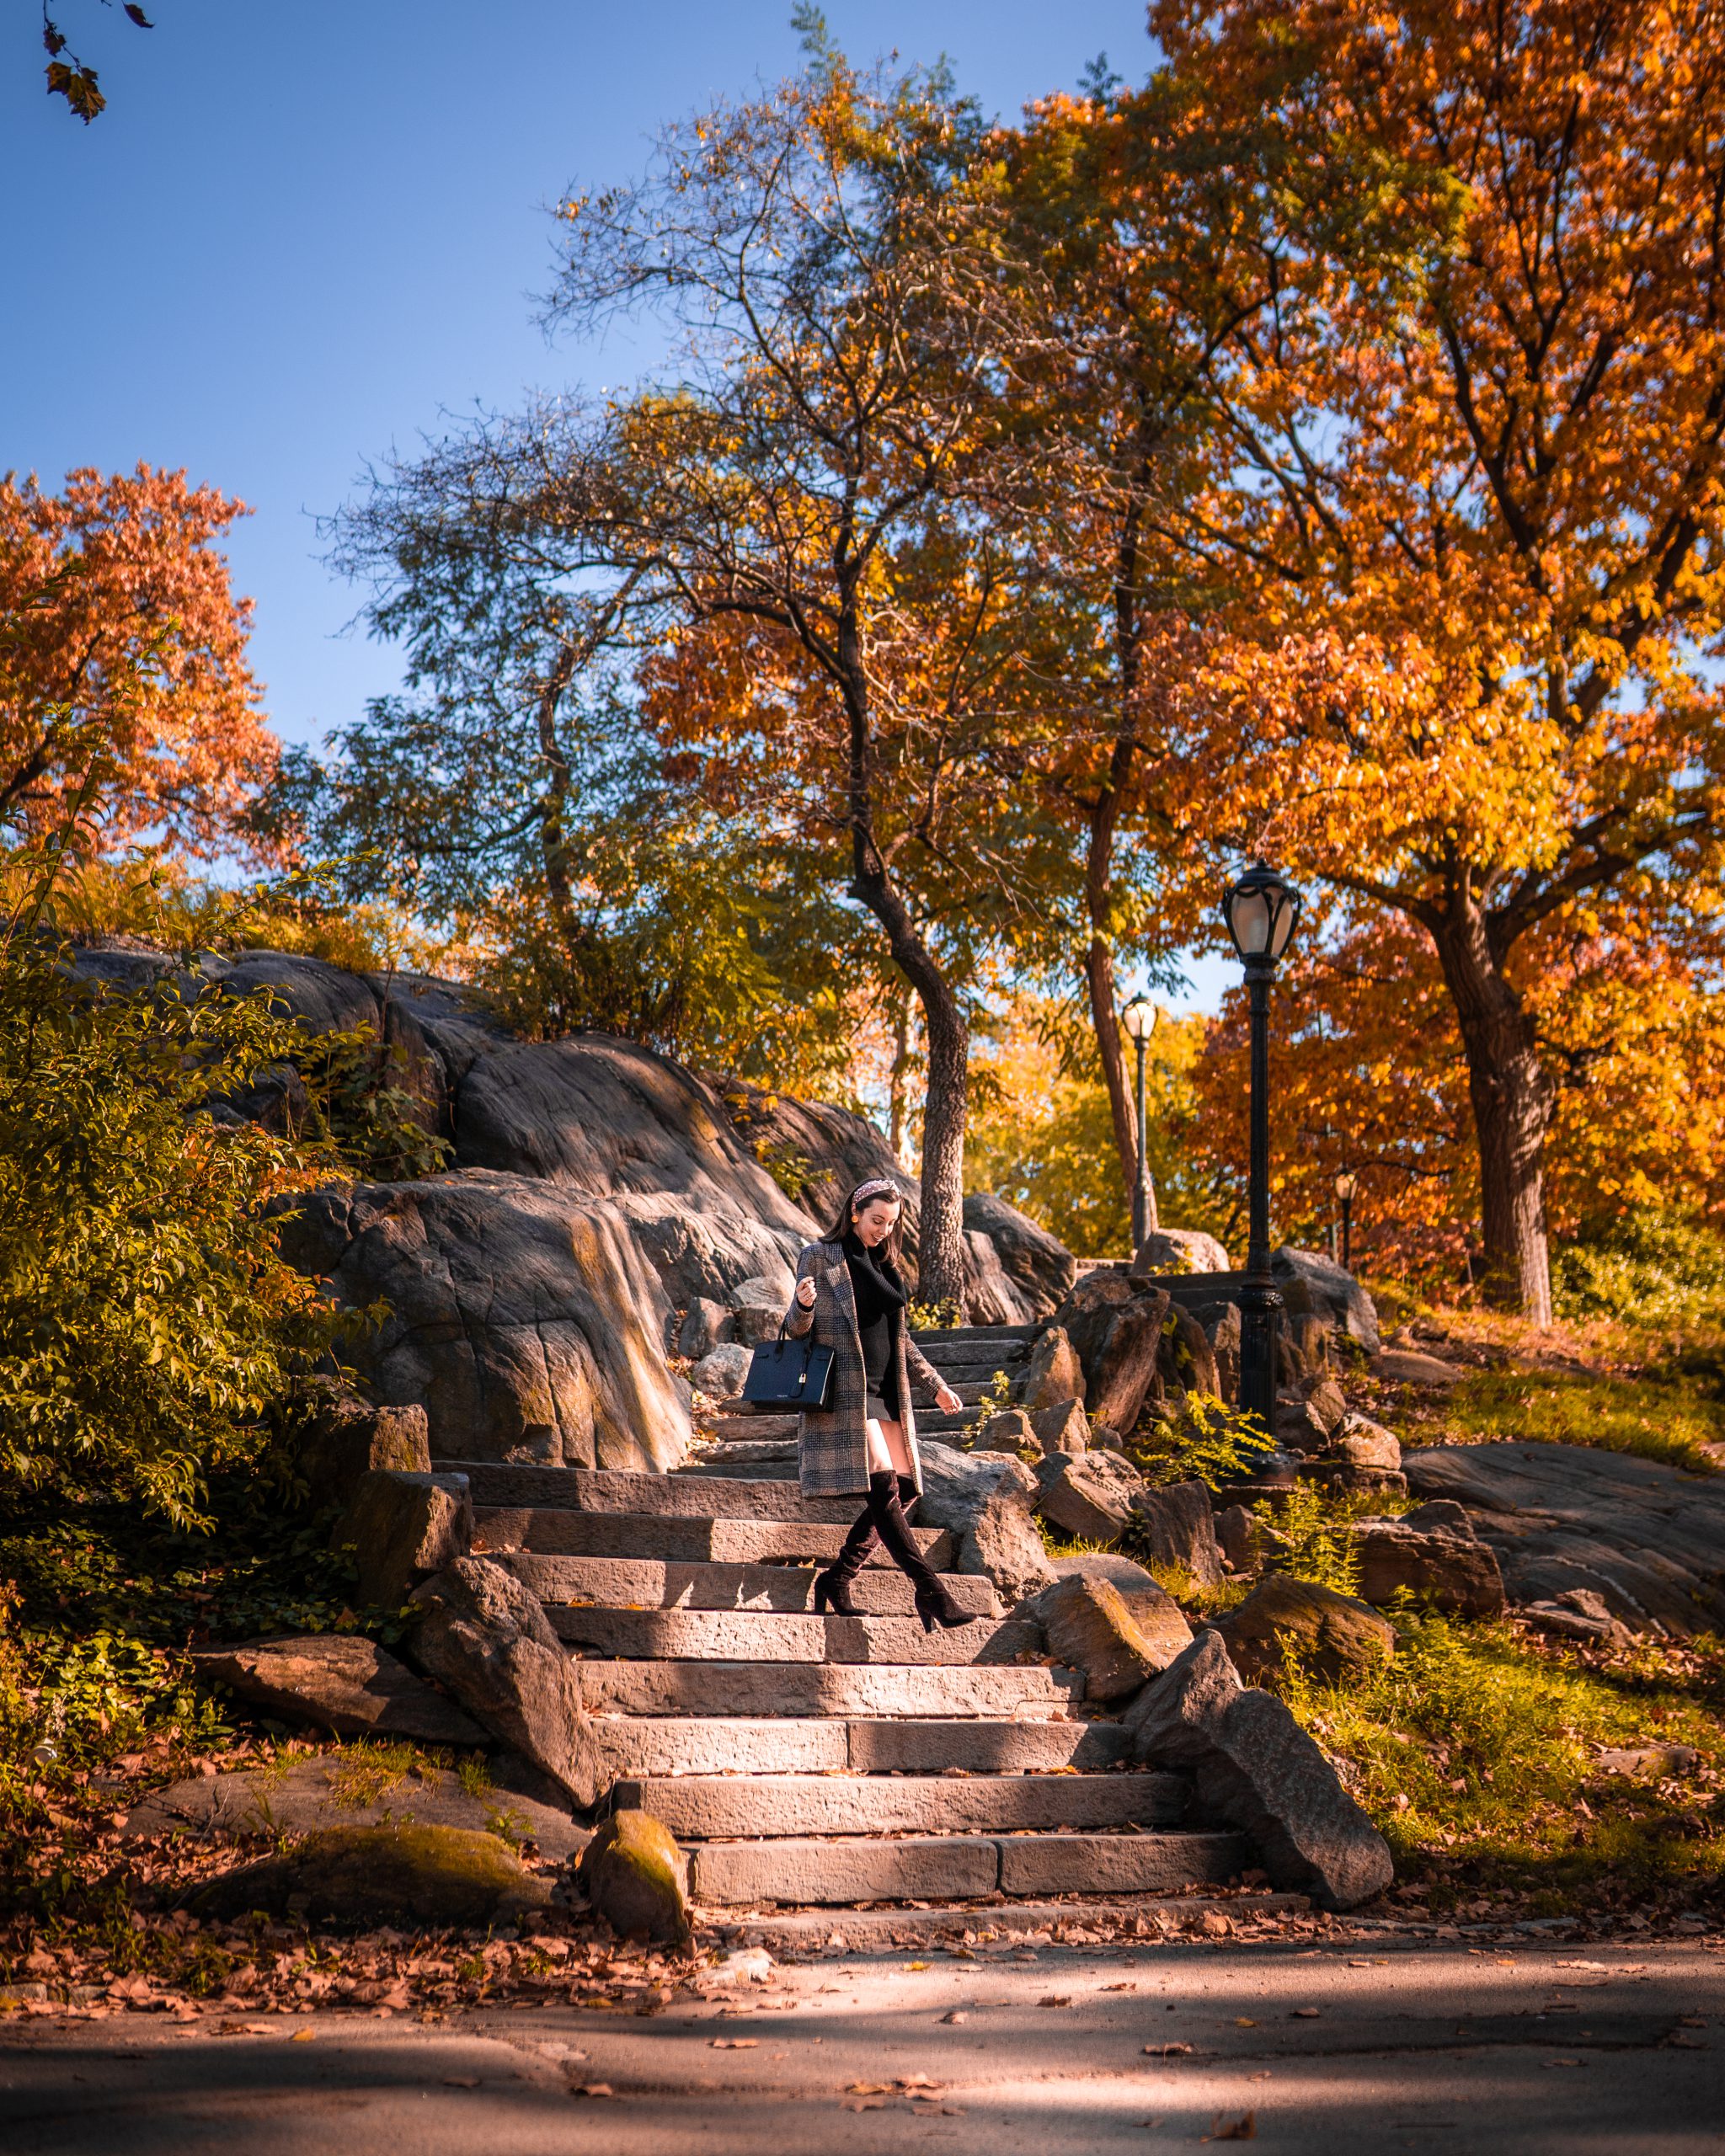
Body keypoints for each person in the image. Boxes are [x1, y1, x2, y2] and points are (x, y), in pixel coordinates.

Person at [782, 1177, 977, 1631]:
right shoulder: (819, 1256)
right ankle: (933, 1591)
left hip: (888, 1393)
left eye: (890, 1223)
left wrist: (937, 1386)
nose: (883, 1230)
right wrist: (804, 1305)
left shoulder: (888, 1267)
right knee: (884, 1487)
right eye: (876, 1220)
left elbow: (902, 1341)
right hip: (849, 1395)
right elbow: (794, 1329)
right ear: (854, 1212)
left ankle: (836, 1579)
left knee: (905, 1492)